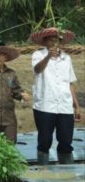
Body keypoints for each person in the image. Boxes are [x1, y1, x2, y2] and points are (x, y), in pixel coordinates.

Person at [30, 27, 81, 165]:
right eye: (51, 40)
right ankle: (43, 171)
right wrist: (48, 57)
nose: (54, 43)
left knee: (66, 141)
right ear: (45, 42)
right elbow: (37, 69)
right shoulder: (38, 55)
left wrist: (76, 106)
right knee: (45, 140)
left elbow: (70, 83)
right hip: (45, 105)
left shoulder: (66, 58)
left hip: (64, 106)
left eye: (57, 40)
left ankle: (67, 172)